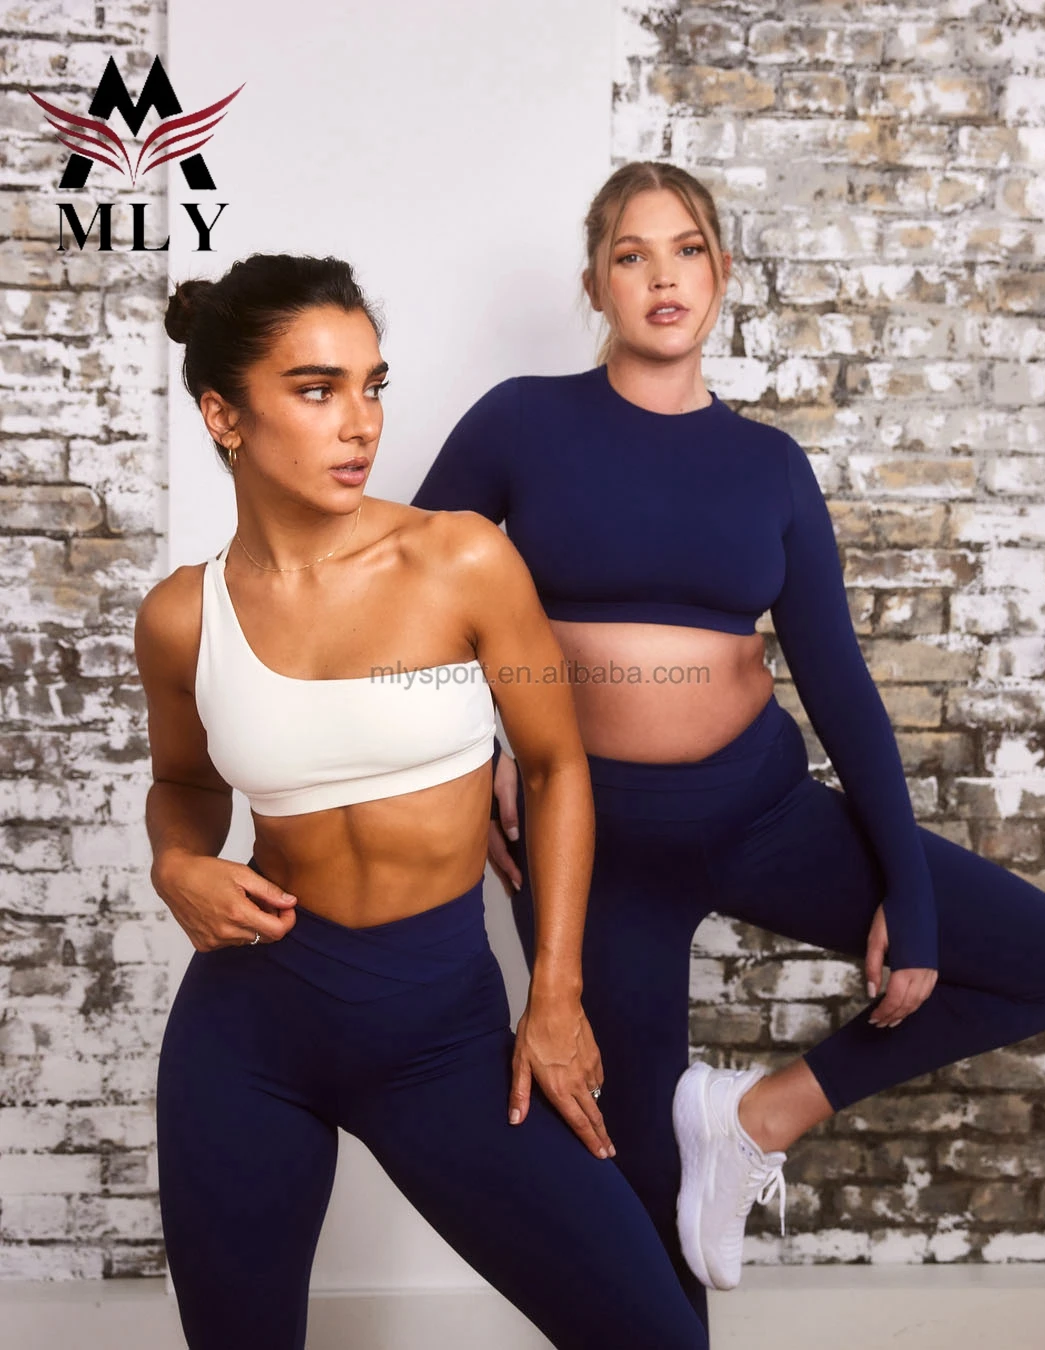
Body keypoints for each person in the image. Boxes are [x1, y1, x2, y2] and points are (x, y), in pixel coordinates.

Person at [412, 161, 1045, 1322]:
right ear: (596, 283)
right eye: (631, 255)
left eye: (687, 250)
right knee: (636, 1186)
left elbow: (839, 683)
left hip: (760, 812)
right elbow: (407, 600)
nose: (662, 276)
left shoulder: (769, 464)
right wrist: (482, 753)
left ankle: (756, 1117)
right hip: (591, 848)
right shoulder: (522, 421)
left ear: (721, 272)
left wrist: (910, 890)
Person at [135, 252, 708, 1350]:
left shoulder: (461, 560)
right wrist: (177, 863)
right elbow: (185, 784)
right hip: (249, 1032)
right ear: (224, 415)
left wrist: (555, 993)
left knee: (652, 1335)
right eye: (317, 390)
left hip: (443, 1034)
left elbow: (556, 766)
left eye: (372, 385)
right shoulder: (180, 617)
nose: (360, 423)